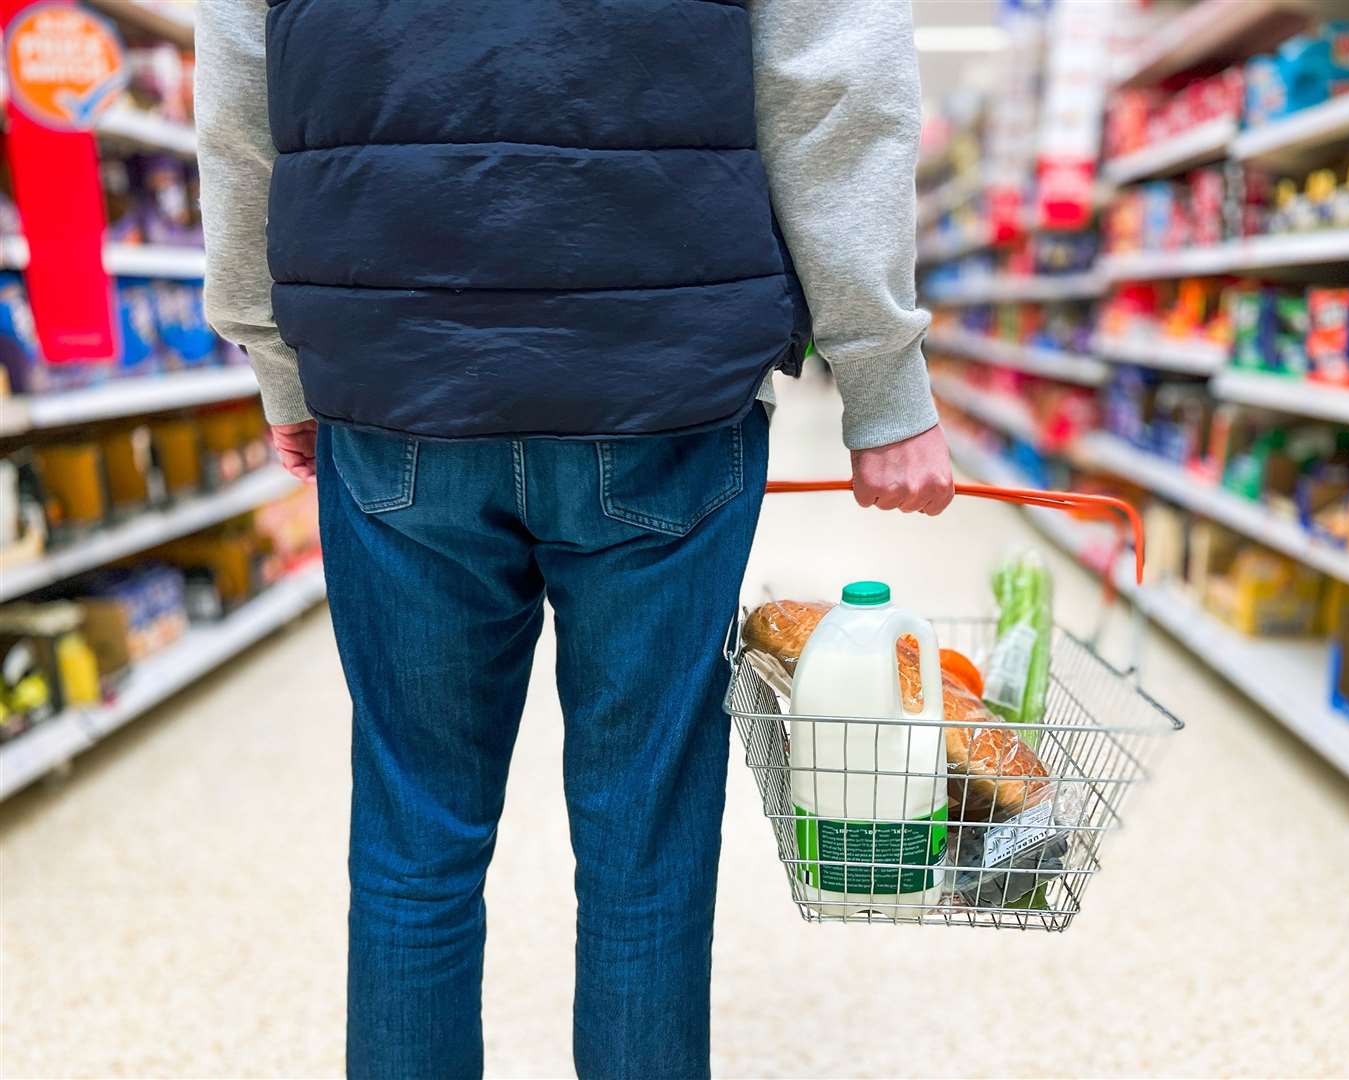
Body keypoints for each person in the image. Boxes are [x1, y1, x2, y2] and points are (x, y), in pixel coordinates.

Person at [195, 2, 951, 1076]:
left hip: (397, 385)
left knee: (418, 833)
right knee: (643, 844)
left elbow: (238, 106)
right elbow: (833, 86)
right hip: (661, 383)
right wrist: (880, 376)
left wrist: (281, 359)